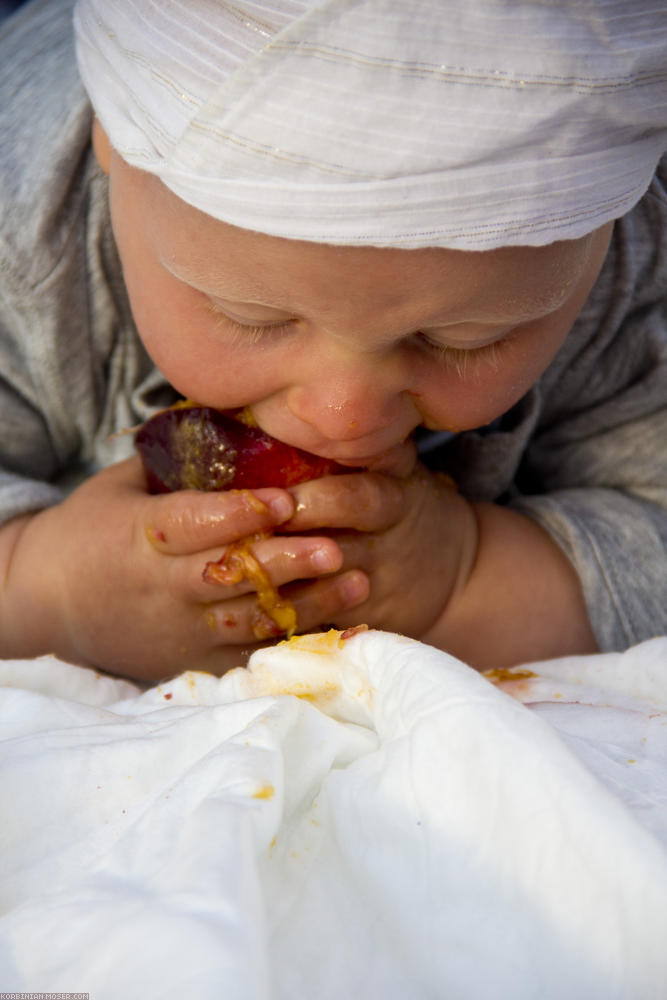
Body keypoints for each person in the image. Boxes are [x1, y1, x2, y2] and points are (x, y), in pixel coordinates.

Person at [0, 0, 665, 682]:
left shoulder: (635, 277)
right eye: (249, 315)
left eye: (467, 337)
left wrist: (468, 579)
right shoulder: (19, 227)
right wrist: (47, 588)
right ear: (112, 144)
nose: (344, 413)